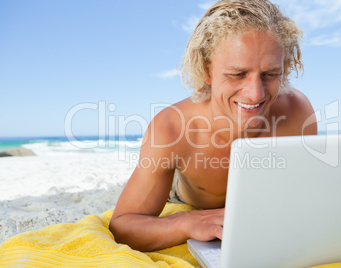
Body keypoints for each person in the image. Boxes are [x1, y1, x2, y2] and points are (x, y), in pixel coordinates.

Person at [109, 0, 317, 251]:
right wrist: (185, 222)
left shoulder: (297, 113)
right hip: (185, 198)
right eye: (238, 74)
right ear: (207, 70)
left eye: (270, 74)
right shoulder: (171, 129)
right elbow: (123, 226)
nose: (255, 93)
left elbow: (304, 192)